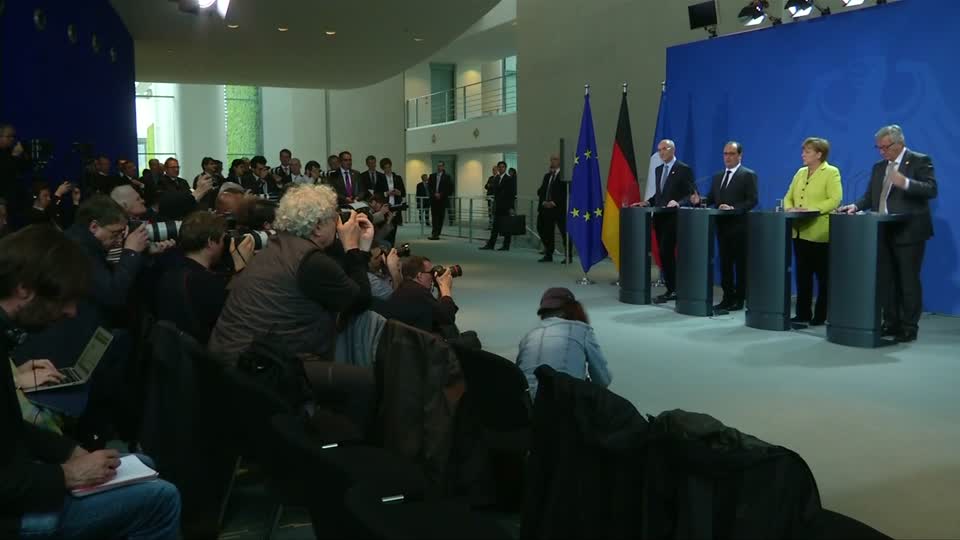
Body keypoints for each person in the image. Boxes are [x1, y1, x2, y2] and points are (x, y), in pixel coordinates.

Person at [0, 225, 181, 540]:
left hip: (16, 485)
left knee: (142, 465)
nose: (71, 312)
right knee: (161, 498)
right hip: (11, 517)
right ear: (24, 289)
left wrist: (69, 450)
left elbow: (10, 429)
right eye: (64, 299)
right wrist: (66, 475)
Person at [208, 184, 376, 430]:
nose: (339, 224)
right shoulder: (311, 261)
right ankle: (338, 444)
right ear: (317, 227)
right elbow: (359, 298)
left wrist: (357, 248)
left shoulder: (278, 245)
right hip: (263, 369)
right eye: (334, 218)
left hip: (233, 359)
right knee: (367, 382)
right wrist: (353, 248)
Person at [840, 125, 937, 342]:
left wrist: (906, 183)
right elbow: (870, 197)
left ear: (899, 143)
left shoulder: (919, 160)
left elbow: (931, 189)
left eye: (885, 147)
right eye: (879, 148)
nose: (882, 152)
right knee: (887, 281)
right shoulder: (878, 167)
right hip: (882, 231)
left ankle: (909, 326)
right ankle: (891, 322)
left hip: (909, 232)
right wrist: (855, 206)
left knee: (908, 281)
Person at [156, 211, 255, 345]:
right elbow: (238, 314)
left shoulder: (170, 270)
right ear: (210, 242)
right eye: (223, 239)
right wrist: (242, 267)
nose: (224, 245)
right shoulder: (205, 283)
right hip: (202, 350)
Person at [690, 142, 759, 311]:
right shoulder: (718, 176)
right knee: (725, 264)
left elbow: (752, 200)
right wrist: (699, 201)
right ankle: (727, 297)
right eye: (725, 154)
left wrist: (733, 208)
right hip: (722, 227)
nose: (727, 157)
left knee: (740, 265)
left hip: (739, 227)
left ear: (740, 156)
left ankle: (739, 299)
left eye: (731, 154)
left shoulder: (748, 175)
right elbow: (712, 199)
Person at [783, 137, 842, 326]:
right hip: (799, 231)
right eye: (803, 151)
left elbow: (835, 199)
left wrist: (813, 210)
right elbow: (788, 196)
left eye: (807, 152)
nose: (803, 154)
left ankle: (820, 315)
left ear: (819, 154)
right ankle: (803, 313)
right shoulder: (800, 172)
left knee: (823, 277)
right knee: (803, 276)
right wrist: (789, 208)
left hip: (819, 233)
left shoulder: (831, 172)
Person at [630, 139, 696, 304]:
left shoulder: (683, 169)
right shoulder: (659, 169)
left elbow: (691, 194)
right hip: (660, 217)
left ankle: (673, 289)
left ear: (673, 150)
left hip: (675, 218)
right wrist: (647, 202)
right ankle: (672, 287)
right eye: (659, 150)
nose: (661, 153)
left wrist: (678, 203)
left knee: (667, 252)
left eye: (664, 149)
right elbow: (660, 195)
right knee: (663, 253)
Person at [516, 287, 611, 399]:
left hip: (524, 403)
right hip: (564, 401)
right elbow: (602, 380)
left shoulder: (528, 337)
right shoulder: (582, 330)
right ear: (574, 308)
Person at [377, 255, 458, 336]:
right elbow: (448, 318)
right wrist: (445, 287)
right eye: (431, 273)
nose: (434, 277)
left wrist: (441, 290)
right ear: (419, 276)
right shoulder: (418, 292)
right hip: (418, 341)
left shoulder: (406, 288)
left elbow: (438, 313)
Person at [537, 155, 569, 263]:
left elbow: (565, 192)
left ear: (560, 161)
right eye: (551, 159)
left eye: (555, 159)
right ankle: (548, 254)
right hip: (546, 209)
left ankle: (568, 256)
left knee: (564, 232)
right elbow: (541, 191)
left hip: (559, 209)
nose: (552, 161)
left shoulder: (564, 176)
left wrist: (554, 202)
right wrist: (544, 202)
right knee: (546, 231)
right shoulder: (547, 176)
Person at [481, 161, 516, 251]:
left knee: (506, 227)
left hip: (506, 206)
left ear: (505, 168)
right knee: (495, 226)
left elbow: (512, 194)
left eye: (503, 167)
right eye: (499, 167)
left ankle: (506, 245)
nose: (501, 168)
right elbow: (493, 190)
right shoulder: (496, 178)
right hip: (498, 206)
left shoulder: (509, 179)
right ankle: (491, 244)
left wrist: (511, 207)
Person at [374, 157, 405, 245]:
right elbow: (376, 193)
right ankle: (386, 248)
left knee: (393, 229)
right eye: (385, 168)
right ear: (382, 168)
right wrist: (386, 193)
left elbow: (403, 193)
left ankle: (391, 247)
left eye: (389, 167)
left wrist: (399, 192)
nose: (388, 169)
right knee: (385, 229)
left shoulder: (398, 178)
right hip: (385, 207)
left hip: (395, 206)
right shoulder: (380, 178)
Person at [427, 162, 454, 240]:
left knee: (441, 217)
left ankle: (437, 233)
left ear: (443, 167)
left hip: (442, 200)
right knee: (434, 217)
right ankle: (434, 234)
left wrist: (441, 194)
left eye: (441, 166)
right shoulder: (432, 176)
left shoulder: (447, 177)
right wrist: (434, 194)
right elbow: (429, 187)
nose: (439, 167)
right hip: (434, 199)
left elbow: (449, 188)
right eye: (438, 166)